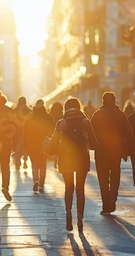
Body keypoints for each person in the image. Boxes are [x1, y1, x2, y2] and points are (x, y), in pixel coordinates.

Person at [50, 97, 97, 232]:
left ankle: (68, 213)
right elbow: (94, 144)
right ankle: (80, 218)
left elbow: (54, 142)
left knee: (69, 187)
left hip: (65, 158)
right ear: (79, 107)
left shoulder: (61, 123)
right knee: (80, 189)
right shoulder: (85, 122)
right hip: (82, 158)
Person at [91, 92, 132, 214]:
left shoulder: (97, 115)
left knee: (102, 178)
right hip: (115, 151)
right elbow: (129, 132)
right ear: (114, 101)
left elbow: (91, 132)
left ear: (103, 101)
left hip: (101, 152)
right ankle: (113, 198)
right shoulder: (120, 114)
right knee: (115, 175)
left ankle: (105, 205)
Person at [23, 99, 55, 193]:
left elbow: (25, 133)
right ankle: (41, 184)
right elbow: (52, 131)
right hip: (44, 143)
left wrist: (25, 145)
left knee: (34, 164)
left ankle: (35, 180)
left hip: (32, 144)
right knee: (43, 164)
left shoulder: (30, 117)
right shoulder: (48, 117)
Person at [12, 96, 32, 170]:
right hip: (26, 132)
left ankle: (17, 163)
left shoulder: (14, 111)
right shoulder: (29, 111)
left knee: (17, 147)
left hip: (16, 132)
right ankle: (25, 160)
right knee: (25, 147)